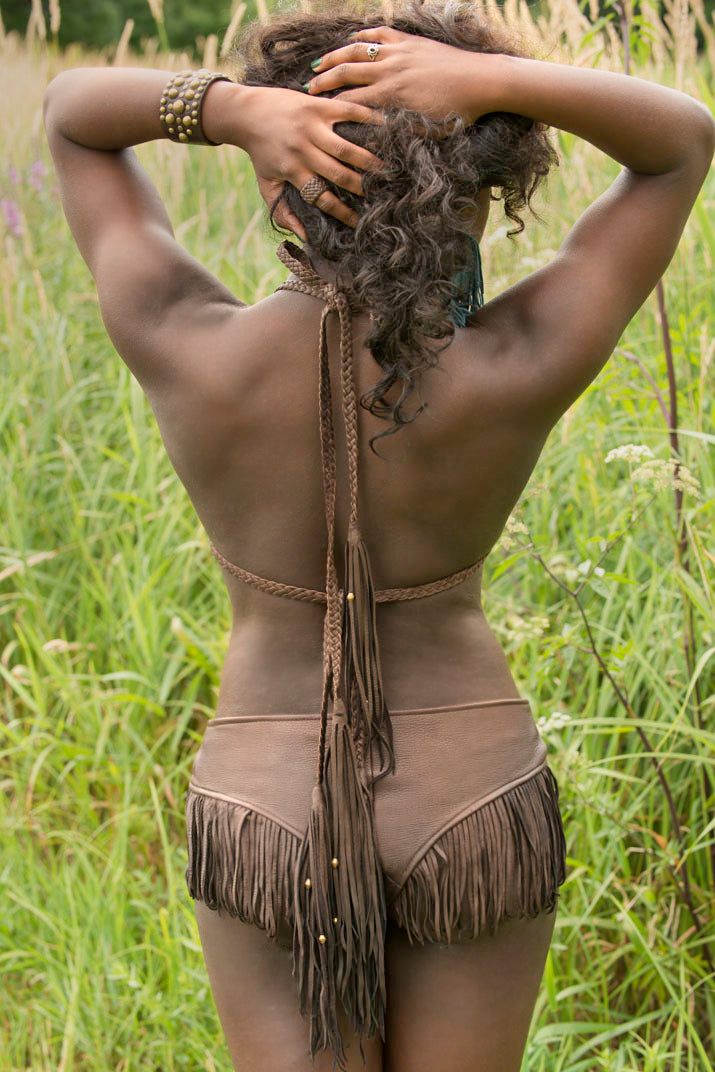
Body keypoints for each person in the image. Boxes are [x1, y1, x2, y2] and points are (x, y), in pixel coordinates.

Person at [43, 2, 714, 1070]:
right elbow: (679, 140)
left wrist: (223, 110)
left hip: (264, 804)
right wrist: (487, 79)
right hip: (473, 794)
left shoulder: (185, 344)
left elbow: (71, 113)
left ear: (283, 179)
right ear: (479, 190)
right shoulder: (519, 360)